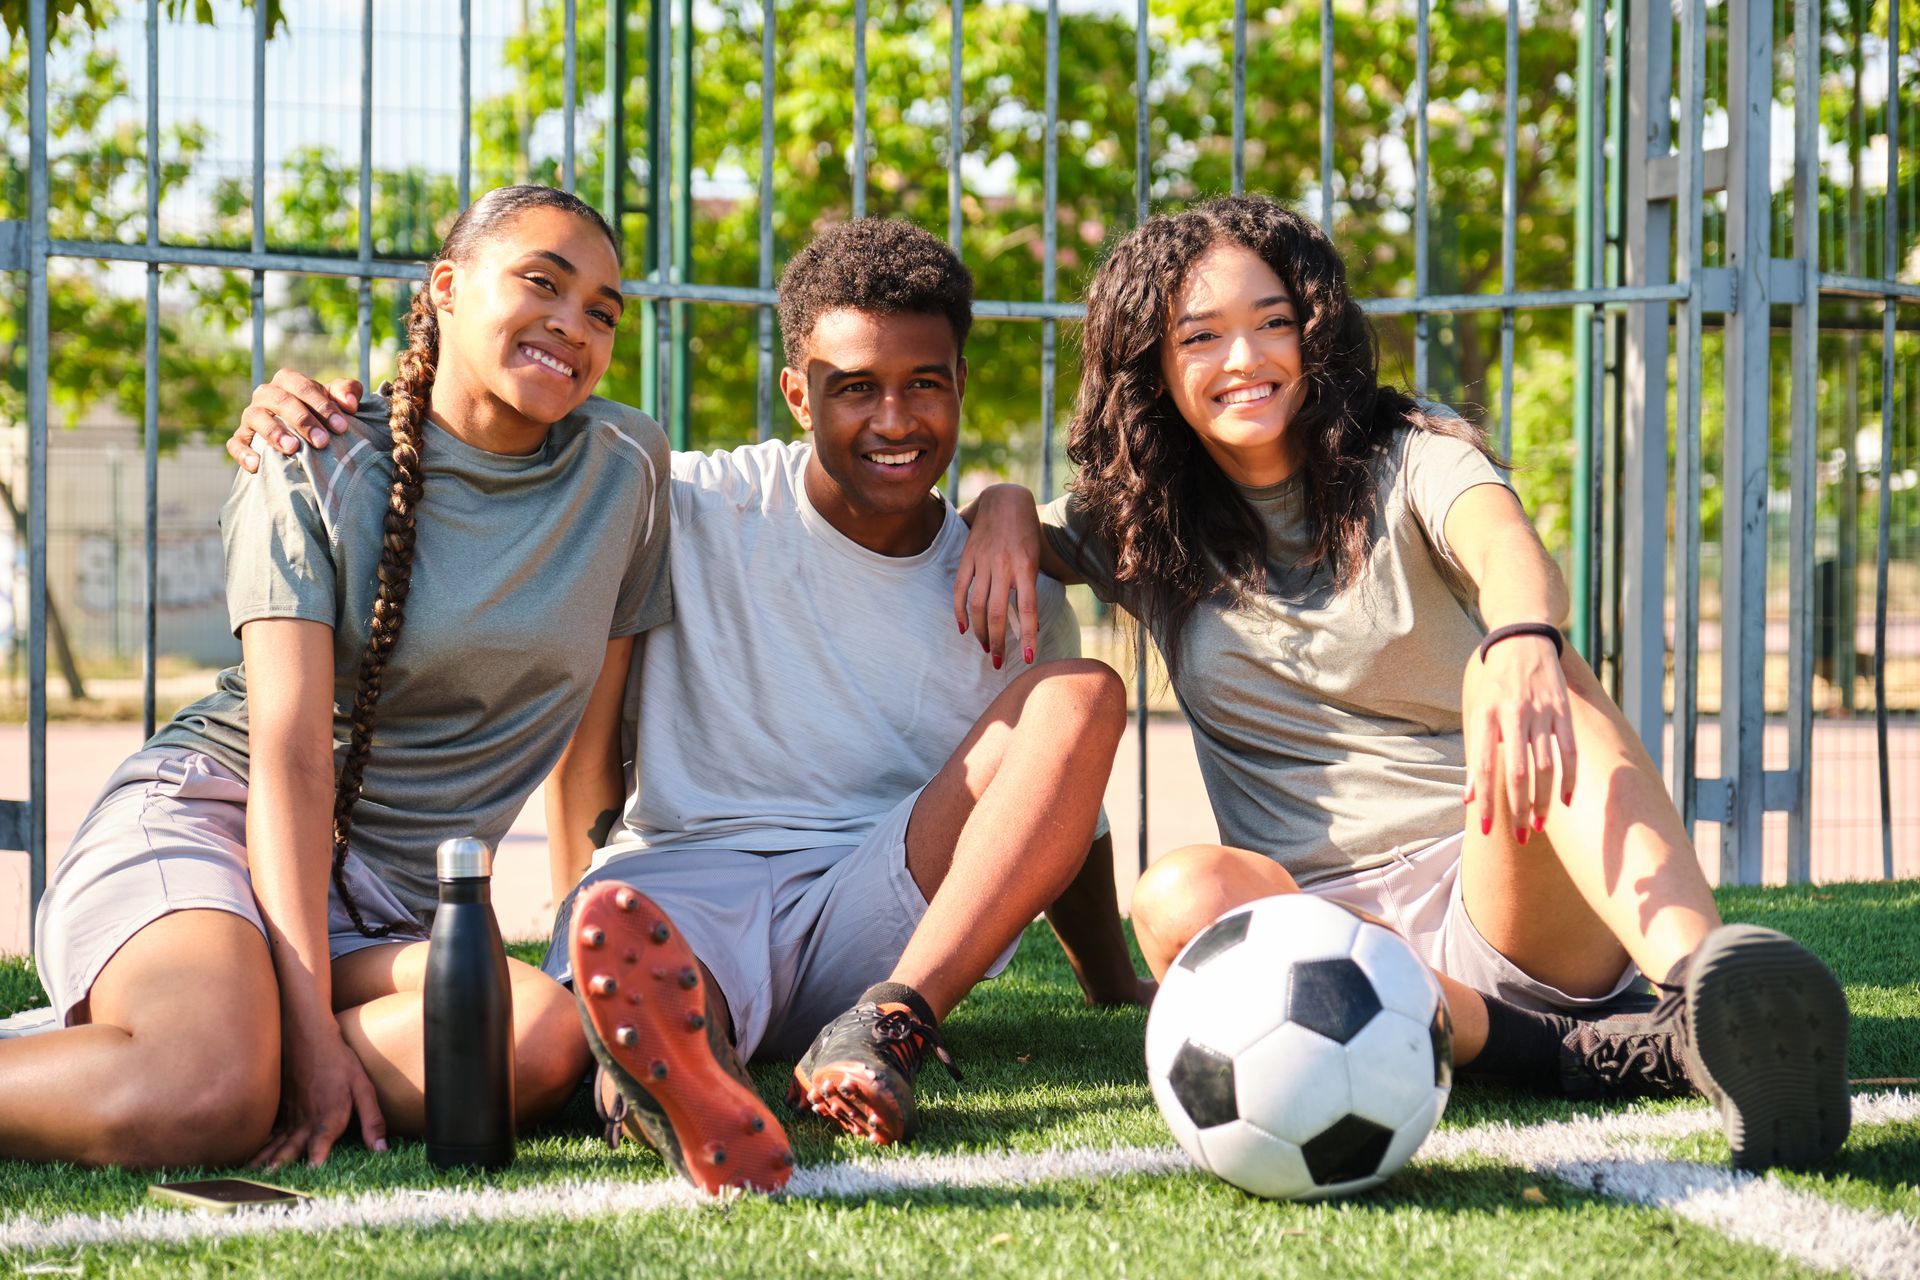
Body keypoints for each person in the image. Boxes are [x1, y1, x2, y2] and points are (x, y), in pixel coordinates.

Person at [225, 218, 1150, 1189]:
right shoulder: (689, 502)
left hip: (874, 916)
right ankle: (667, 1079)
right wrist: (321, 405)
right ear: (798, 393)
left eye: (924, 384)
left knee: (1082, 693)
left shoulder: (1007, 586)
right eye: (854, 388)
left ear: (960, 386)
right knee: (658, 970)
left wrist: (1107, 976)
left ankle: (886, 1029)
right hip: (685, 888)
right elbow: (490, 437)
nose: (893, 419)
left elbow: (1057, 806)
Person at [956, 194, 1852, 1173]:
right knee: (1174, 896)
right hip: (1336, 948)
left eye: (1272, 323)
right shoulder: (1145, 520)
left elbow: (1512, 554)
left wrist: (1520, 635)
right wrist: (1003, 502)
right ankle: (1574, 1055)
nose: (1244, 359)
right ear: (1156, 368)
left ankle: (1701, 999)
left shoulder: (1410, 454)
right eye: (1200, 336)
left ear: (1315, 328)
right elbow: (1008, 531)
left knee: (1530, 667)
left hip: (1501, 875)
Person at [0, 185, 674, 1173]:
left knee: (537, 1035)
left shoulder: (627, 470)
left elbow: (588, 767)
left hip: (385, 915)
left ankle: (181, 1042)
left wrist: (590, 976)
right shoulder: (314, 455)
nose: (575, 326)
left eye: (605, 313)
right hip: (215, 828)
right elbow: (288, 755)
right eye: (544, 283)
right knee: (208, 1094)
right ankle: (208, 1051)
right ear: (446, 287)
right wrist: (312, 1038)